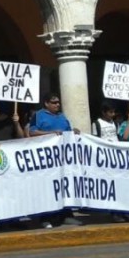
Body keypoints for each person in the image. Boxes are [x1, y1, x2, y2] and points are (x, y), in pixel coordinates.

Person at [28, 93, 79, 228]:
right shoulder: (38, 115)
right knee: (47, 188)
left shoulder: (62, 116)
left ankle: (66, 215)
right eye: (54, 102)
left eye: (58, 103)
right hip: (46, 160)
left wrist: (74, 131)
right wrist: (50, 134)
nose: (57, 105)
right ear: (46, 103)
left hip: (62, 160)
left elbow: (68, 132)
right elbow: (32, 132)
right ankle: (45, 218)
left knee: (63, 185)